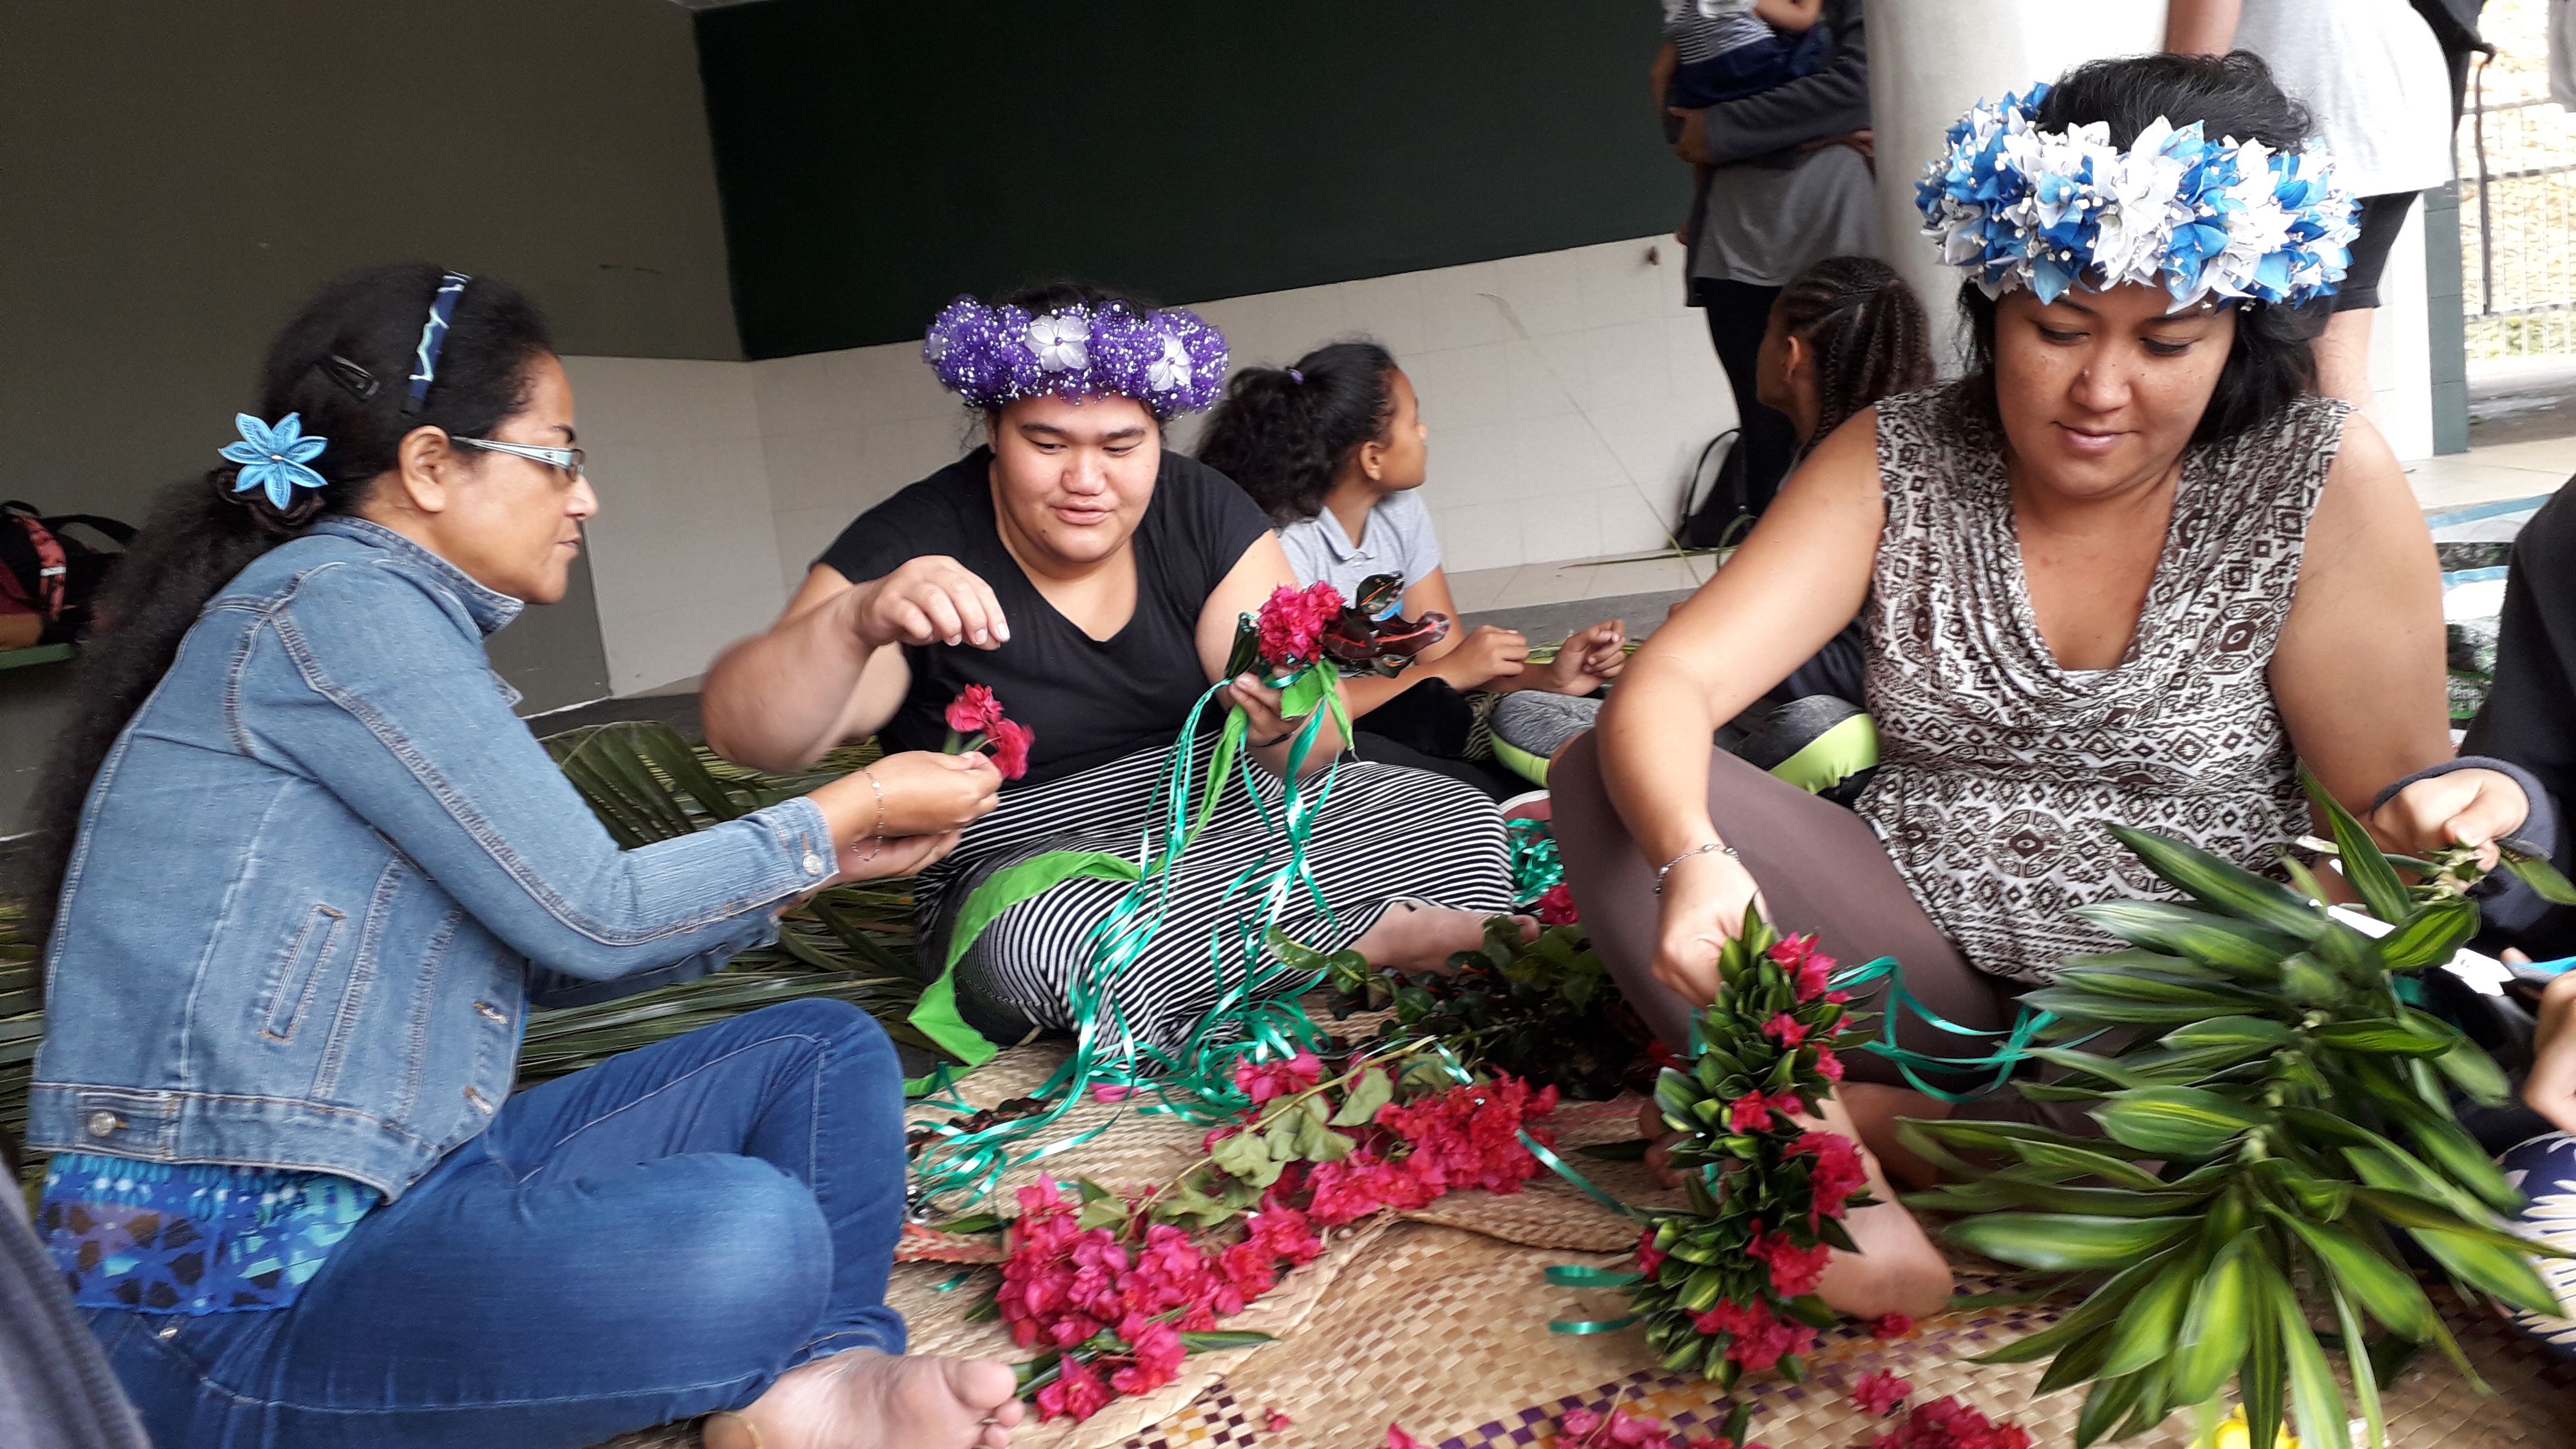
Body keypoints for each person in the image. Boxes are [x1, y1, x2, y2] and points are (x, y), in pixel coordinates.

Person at [1556, 52, 2536, 1313]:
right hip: (1907, 965)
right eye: (2057, 329)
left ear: (2236, 329)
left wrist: (2327, 944)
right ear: (1994, 300)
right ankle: (1837, 1171)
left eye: (2166, 341)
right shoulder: (1899, 454)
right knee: (1606, 779)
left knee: (2214, 1153)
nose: (2099, 389)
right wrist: (1696, 860)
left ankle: (1855, 1125)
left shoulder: (2315, 477)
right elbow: (1676, 679)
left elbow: (2376, 837)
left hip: (2172, 1011)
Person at [16, 263, 1020, 1449]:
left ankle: (822, 1377)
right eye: (558, 456)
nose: (584, 497)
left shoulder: (374, 618)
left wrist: (823, 864)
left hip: (404, 1192)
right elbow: (596, 916)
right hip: (229, 1309)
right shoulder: (335, 609)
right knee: (745, 1235)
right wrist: (840, 808)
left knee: (818, 1052)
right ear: (431, 466)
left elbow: (546, 953)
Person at [701, 284, 1518, 1059]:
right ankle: (1368, 938)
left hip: (1224, 821)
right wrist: (852, 619)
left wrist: (1290, 728)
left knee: (1455, 815)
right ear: (994, 428)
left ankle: (1232, 963)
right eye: (1047, 443)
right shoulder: (914, 539)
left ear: (1157, 435)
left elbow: (1311, 751)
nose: (1086, 481)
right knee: (1034, 946)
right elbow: (754, 737)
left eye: (1122, 446)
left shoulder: (1202, 510)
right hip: (1030, 865)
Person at [1192, 340, 1626, 799]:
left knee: (1570, 708)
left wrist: (1551, 678)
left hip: (1420, 700)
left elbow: (1443, 656)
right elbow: (1308, 709)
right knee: (1445, 757)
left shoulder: (1401, 511)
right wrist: (1452, 672)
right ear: (1373, 458)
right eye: (1413, 419)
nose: (1423, 431)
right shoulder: (1282, 546)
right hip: (1329, 736)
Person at [2166, 0, 2458, 409]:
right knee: (2333, 350)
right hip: (2393, 85)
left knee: (2293, 366)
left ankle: (2333, 452)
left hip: (2317, 99)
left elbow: (2193, 67)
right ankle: (2349, 452)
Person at [1665, 0, 1873, 532]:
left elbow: (1858, 94)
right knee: (1764, 432)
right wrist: (1820, 130)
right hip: (1734, 244)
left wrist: (1728, 131)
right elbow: (1681, 123)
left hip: (1836, 232)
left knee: (1857, 423)